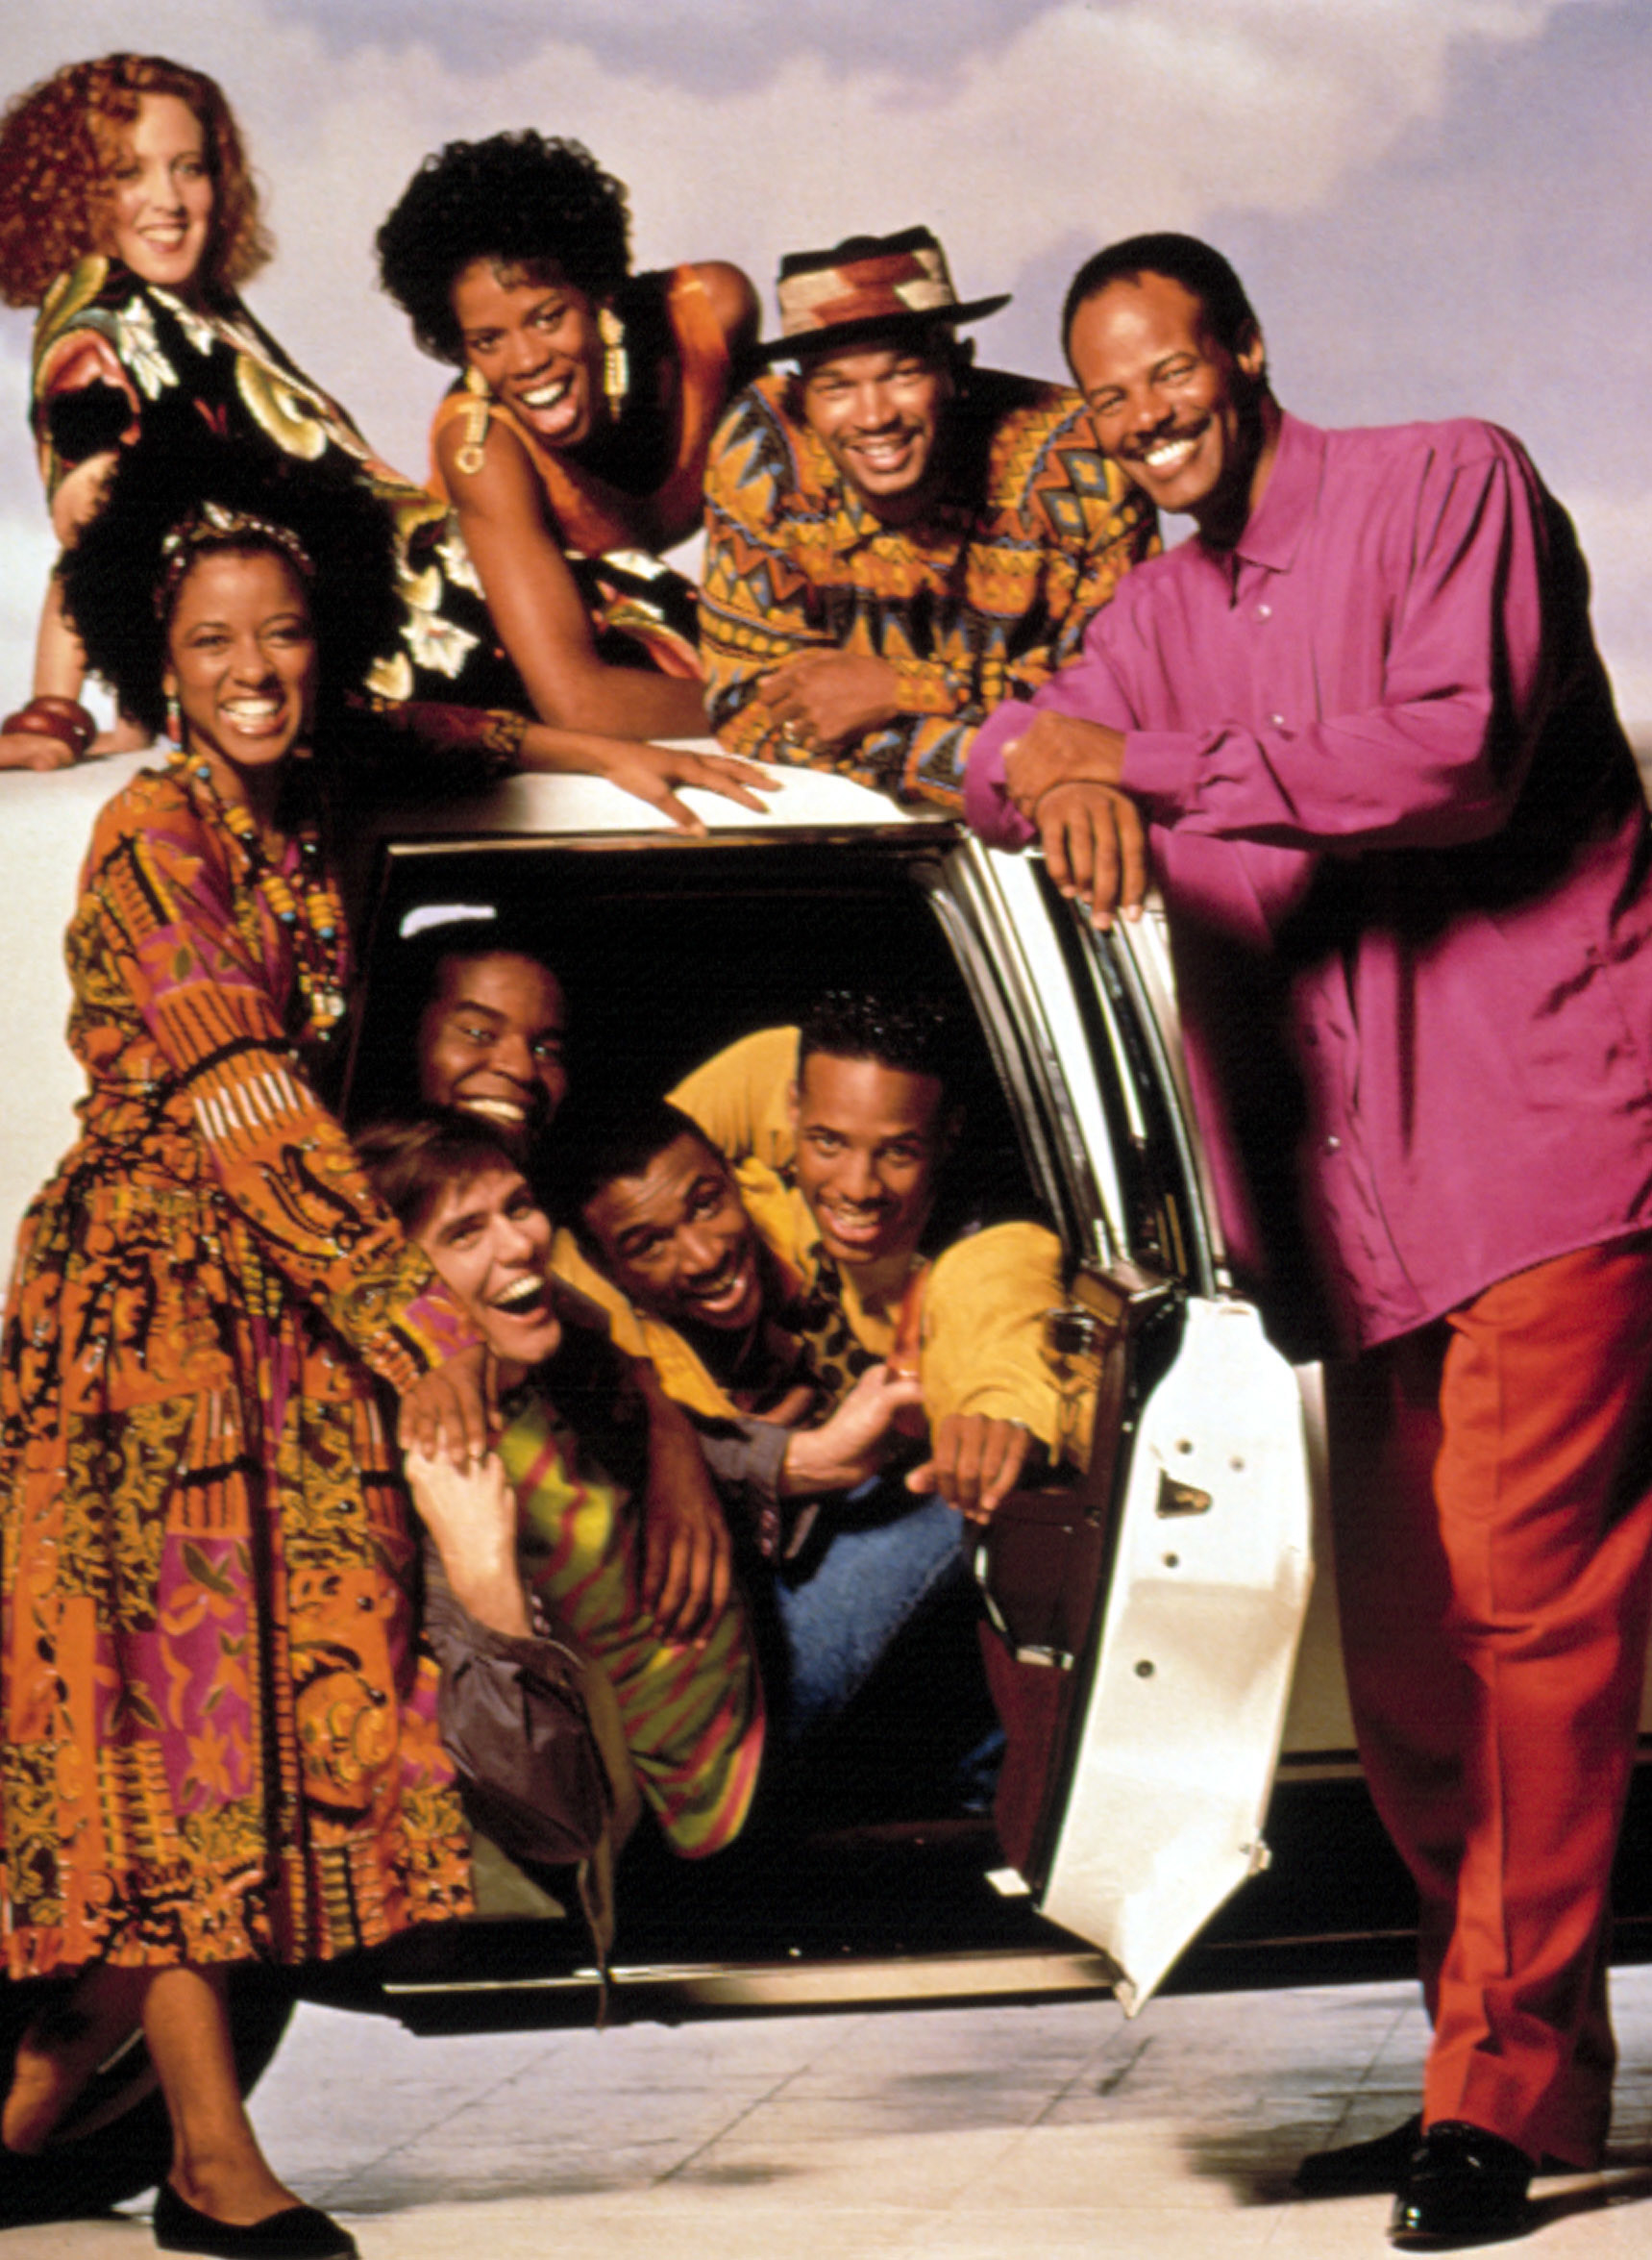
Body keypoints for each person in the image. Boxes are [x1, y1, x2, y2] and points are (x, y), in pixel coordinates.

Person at [964, 230, 1652, 2250]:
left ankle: (1491, 2086)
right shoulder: (1148, 613)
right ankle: (1511, 2059)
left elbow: (1447, 757)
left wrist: (1131, 773)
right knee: (1423, 1664)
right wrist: (1047, 763)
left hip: (1531, 1141)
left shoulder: (1449, 480)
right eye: (1105, 395)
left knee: (1531, 1630)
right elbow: (1006, 747)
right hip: (1340, 1206)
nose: (1144, 412)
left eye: (1166, 368)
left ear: (1244, 353)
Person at [0, 444, 496, 2257]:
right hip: (147, 1319)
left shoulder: (316, 788)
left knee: (254, 1729)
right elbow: (238, 1087)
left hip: (268, 1309)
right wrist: (403, 1311)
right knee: (172, 1747)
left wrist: (601, 753)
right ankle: (211, 2170)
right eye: (215, 642)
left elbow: (449, 742)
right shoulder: (156, 833)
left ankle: (38, 2121)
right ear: (160, 651)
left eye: (288, 633)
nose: (257, 669)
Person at [0, 54, 761, 830]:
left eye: (189, 168)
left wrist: (124, 705)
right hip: (446, 657)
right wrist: (61, 708)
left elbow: (136, 501)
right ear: (72, 192)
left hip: (480, 628)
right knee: (765, 688)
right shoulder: (96, 305)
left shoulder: (201, 308)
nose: (167, 200)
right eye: (129, 173)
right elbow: (97, 519)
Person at [357, 1111, 765, 1868]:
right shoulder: (429, 1470)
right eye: (464, 1232)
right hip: (685, 1799)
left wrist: (706, 1445)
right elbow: (549, 1822)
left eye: (517, 1207)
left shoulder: (553, 1348)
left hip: (736, 1686)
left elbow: (692, 1425)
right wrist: (485, 1581)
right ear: (398, 1287)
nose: (520, 1242)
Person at [698, 225, 1156, 808]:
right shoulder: (764, 448)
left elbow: (1117, 708)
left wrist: (898, 690)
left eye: (901, 374)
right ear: (802, 399)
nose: (872, 417)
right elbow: (746, 711)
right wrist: (991, 771)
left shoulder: (1086, 463)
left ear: (956, 370)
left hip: (1059, 856)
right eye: (836, 386)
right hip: (876, 847)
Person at [376, 130, 757, 744]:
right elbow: (579, 703)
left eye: (546, 317)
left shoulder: (706, 319)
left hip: (659, 671)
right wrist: (786, 715)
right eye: (487, 341)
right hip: (503, 698)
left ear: (596, 293)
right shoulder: (482, 448)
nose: (525, 362)